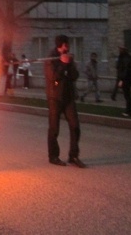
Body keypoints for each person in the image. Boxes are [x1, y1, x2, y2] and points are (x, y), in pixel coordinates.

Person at [44, 35, 85, 168]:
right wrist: (62, 63)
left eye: (67, 45)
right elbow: (53, 77)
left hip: (68, 97)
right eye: (64, 46)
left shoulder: (69, 58)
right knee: (54, 128)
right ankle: (53, 156)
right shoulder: (51, 58)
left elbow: (74, 76)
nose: (66, 48)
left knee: (75, 126)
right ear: (59, 46)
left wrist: (69, 64)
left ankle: (73, 155)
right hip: (55, 97)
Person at [115, 45, 131, 117]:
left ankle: (129, 112)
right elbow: (118, 67)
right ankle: (128, 111)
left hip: (126, 79)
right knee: (127, 95)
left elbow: (125, 70)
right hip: (126, 79)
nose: (120, 50)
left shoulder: (126, 58)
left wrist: (122, 79)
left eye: (121, 49)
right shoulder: (123, 57)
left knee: (127, 95)